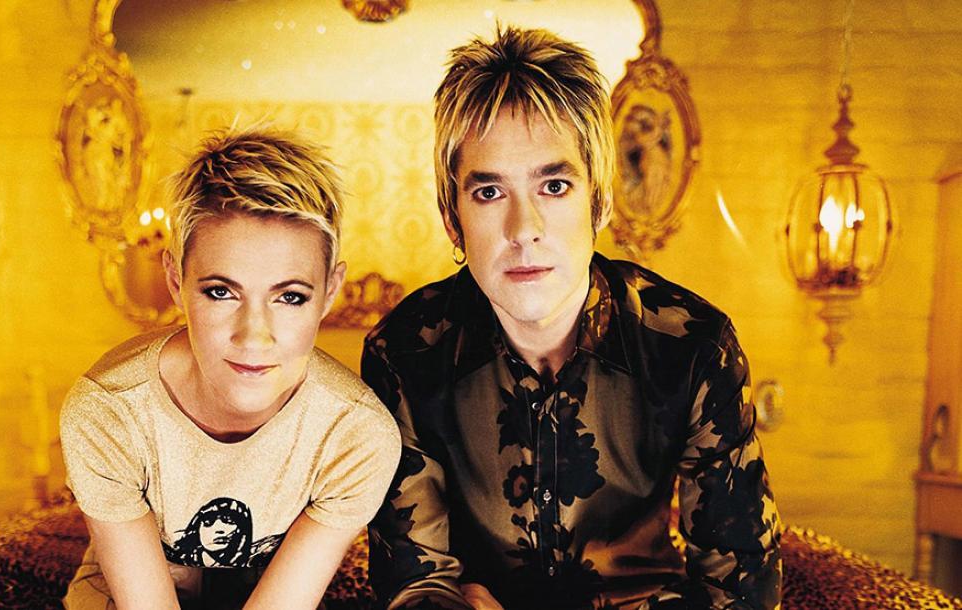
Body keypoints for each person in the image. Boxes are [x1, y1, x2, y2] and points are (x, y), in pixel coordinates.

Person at [363, 25, 781, 610]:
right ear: (452, 218)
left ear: (598, 201)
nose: (524, 229)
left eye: (554, 186)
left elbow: (740, 588)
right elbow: (415, 583)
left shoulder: (692, 345)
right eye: (489, 193)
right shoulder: (407, 352)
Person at [60, 128, 401, 609]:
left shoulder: (356, 436)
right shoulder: (108, 411)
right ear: (176, 280)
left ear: (330, 291)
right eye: (221, 292)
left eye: (290, 297)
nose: (254, 336)